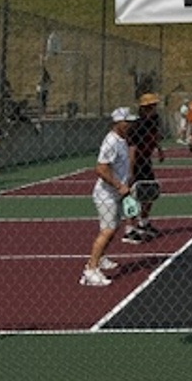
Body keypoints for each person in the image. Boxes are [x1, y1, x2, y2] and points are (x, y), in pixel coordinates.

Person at [81, 106, 137, 287]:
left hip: (115, 193)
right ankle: (90, 269)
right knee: (107, 231)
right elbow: (100, 168)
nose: (129, 125)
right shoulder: (111, 141)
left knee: (113, 228)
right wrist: (119, 185)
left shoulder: (121, 139)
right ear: (117, 122)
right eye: (126, 122)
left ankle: (101, 258)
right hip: (106, 194)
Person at [123, 93, 165, 244]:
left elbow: (156, 136)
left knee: (150, 191)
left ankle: (144, 222)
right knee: (133, 194)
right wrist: (130, 170)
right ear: (146, 108)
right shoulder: (137, 126)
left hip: (147, 160)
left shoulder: (154, 121)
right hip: (137, 162)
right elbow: (132, 149)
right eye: (152, 106)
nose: (155, 108)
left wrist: (159, 150)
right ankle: (129, 228)